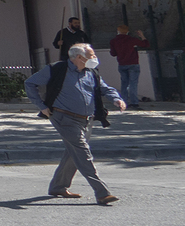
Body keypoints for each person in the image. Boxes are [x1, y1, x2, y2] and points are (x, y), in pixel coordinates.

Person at [24, 44, 126, 206]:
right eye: (91, 55)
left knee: (73, 153)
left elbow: (105, 88)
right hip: (63, 118)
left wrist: (116, 98)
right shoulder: (57, 69)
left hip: (86, 119)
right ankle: (102, 193)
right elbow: (30, 83)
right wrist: (41, 106)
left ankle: (58, 187)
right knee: (83, 153)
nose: (94, 58)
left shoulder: (91, 72)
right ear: (79, 57)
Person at [107, 25, 146, 109]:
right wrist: (142, 36)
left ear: (118, 31)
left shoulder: (114, 41)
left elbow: (113, 53)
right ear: (127, 31)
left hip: (122, 63)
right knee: (133, 83)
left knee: (124, 84)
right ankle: (134, 102)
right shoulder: (132, 40)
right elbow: (145, 44)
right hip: (133, 63)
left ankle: (124, 101)